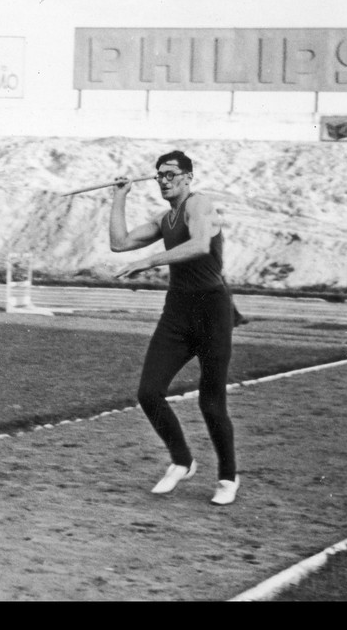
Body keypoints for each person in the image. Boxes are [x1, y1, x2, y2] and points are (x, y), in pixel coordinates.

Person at [110, 150, 239, 505]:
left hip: (212, 311)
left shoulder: (200, 204)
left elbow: (199, 245)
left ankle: (228, 477)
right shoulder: (165, 219)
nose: (163, 180)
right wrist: (119, 197)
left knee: (211, 403)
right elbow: (119, 243)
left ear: (187, 177)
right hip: (178, 312)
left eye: (170, 174)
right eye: (159, 175)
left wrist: (149, 260)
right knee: (148, 392)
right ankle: (182, 461)